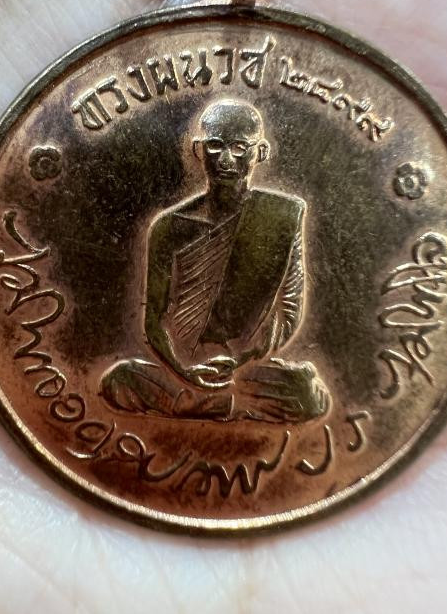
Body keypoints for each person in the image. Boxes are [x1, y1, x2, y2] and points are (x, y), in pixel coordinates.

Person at [101, 98, 329, 421]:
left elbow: (290, 309)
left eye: (239, 147)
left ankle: (204, 403)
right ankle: (226, 403)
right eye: (215, 145)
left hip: (245, 365)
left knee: (306, 395)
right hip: (180, 366)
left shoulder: (284, 215)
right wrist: (184, 369)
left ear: (260, 152)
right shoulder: (169, 226)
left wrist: (239, 358)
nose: (226, 159)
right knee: (121, 379)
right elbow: (153, 320)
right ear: (198, 150)